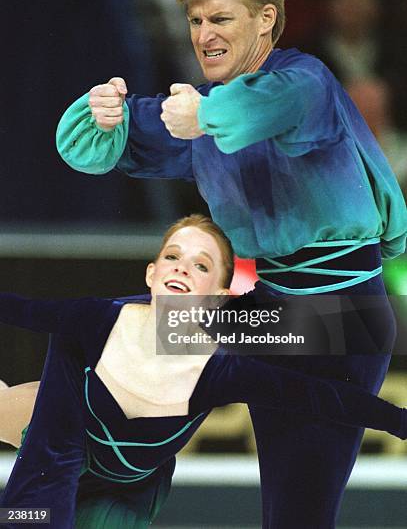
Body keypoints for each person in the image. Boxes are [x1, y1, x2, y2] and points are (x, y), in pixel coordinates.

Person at [56, 0, 407, 528]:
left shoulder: (306, 82)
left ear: (266, 18)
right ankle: (54, 426)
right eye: (195, 19)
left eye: (219, 18)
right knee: (129, 332)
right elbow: (97, 147)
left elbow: (263, 109)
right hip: (277, 312)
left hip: (344, 319)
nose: (202, 34)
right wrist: (102, 114)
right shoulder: (203, 109)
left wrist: (206, 117)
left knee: (297, 514)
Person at [0, 213, 406, 529]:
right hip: (52, 443)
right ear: (151, 272)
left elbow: (325, 395)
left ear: (220, 295)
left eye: (200, 265)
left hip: (126, 491)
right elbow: (19, 308)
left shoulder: (220, 370)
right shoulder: (95, 319)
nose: (180, 268)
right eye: (173, 257)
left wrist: (399, 421)